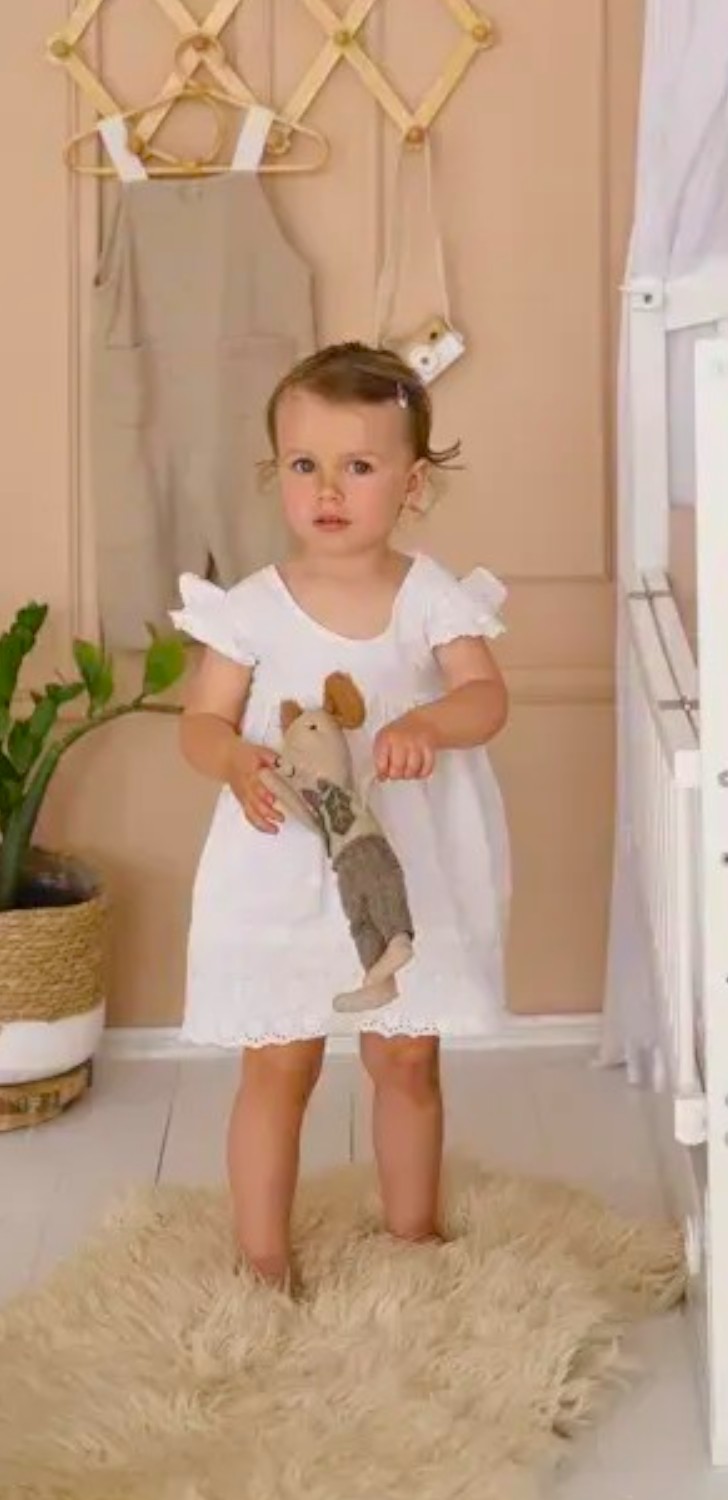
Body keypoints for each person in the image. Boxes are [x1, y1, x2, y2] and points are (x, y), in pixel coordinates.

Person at [171, 342, 511, 1294]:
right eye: (304, 464)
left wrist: (430, 723)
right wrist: (234, 759)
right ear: (275, 472)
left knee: (406, 1059)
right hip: (280, 867)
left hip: (401, 872)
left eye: (358, 465)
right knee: (278, 1067)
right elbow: (200, 723)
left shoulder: (427, 595)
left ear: (412, 483)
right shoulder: (251, 610)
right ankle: (264, 1258)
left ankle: (413, 1237)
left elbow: (486, 698)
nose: (327, 489)